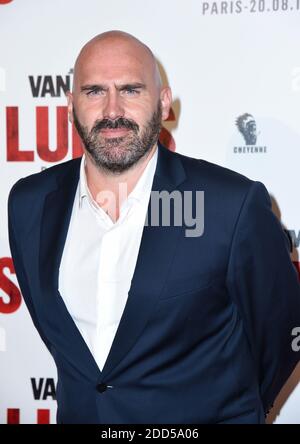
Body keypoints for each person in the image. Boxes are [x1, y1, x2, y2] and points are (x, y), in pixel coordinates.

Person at [7, 30, 300, 424]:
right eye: (94, 91)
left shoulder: (228, 205)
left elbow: (283, 335)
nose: (112, 110)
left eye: (130, 90)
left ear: (163, 104)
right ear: (70, 105)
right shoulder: (30, 202)